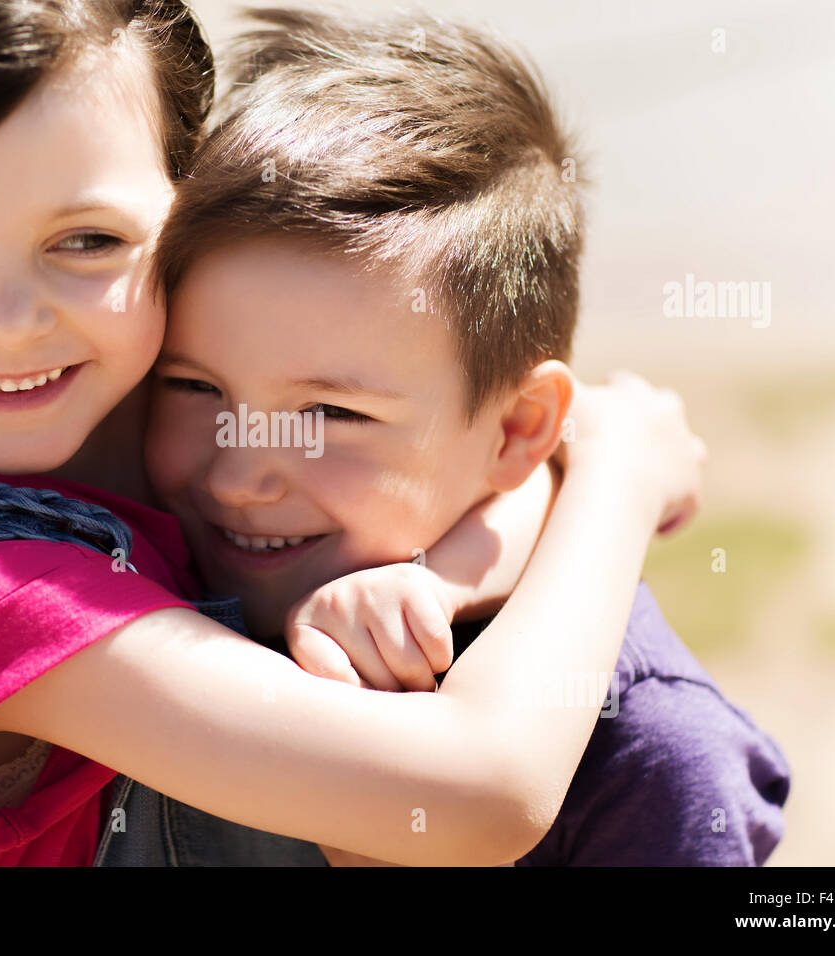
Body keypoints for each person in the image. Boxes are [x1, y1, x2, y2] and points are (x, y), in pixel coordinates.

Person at [0, 0, 704, 865]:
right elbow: (485, 790)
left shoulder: (172, 440)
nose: (15, 317)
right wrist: (615, 473)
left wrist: (441, 572)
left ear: (188, 203)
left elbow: (481, 461)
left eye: (86, 239)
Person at [128, 8, 789, 865]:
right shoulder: (137, 562)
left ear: (518, 430)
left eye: (330, 414)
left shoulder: (647, 753)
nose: (238, 475)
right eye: (191, 386)